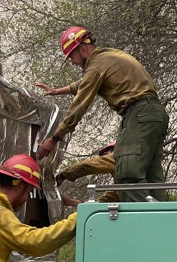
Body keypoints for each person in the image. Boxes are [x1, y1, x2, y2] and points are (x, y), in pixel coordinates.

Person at [35, 27, 169, 201]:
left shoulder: (96, 64)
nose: (73, 62)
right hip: (154, 115)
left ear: (82, 49)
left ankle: (142, 225)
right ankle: (162, 219)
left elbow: (80, 103)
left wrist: (54, 138)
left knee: (127, 173)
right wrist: (56, 91)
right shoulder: (106, 57)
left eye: (72, 57)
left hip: (139, 115)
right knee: (152, 177)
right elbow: (84, 83)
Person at [56, 141, 118, 206]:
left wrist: (62, 176)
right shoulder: (122, 184)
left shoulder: (116, 158)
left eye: (104, 155)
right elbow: (102, 203)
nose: (103, 157)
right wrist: (70, 202)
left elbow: (86, 166)